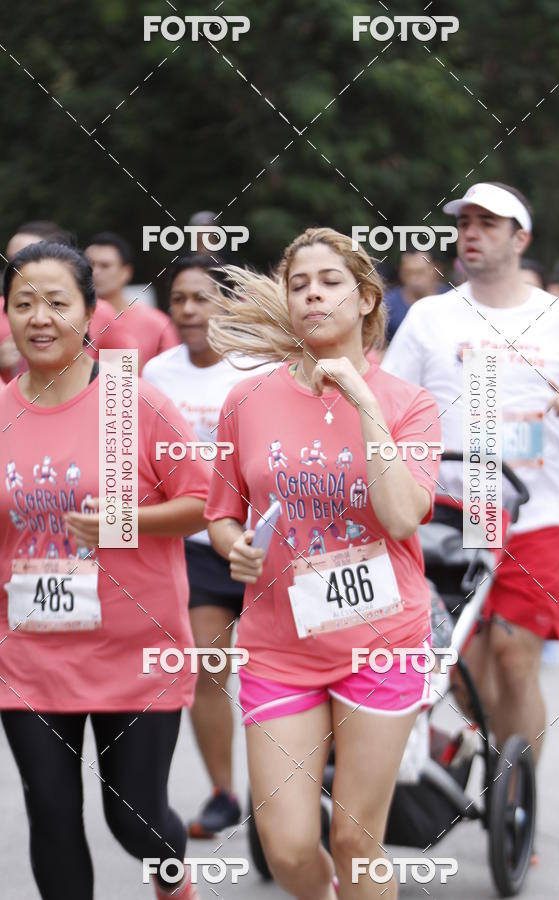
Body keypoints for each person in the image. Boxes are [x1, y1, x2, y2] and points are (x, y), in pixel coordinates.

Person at [205, 227, 441, 899]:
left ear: (367, 299)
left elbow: (401, 516)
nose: (313, 294)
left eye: (330, 282)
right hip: (278, 644)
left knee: (355, 840)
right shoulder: (246, 401)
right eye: (299, 283)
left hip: (383, 640)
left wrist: (363, 401)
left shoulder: (408, 404)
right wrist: (234, 548)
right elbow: (222, 512)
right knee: (286, 847)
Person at [0, 241, 210, 899]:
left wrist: (129, 521)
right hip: (30, 655)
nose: (40, 318)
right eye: (23, 303)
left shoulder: (133, 401)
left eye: (57, 302)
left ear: (91, 311)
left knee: (135, 821)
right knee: (53, 818)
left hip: (137, 651)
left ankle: (174, 883)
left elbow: (203, 503)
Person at [383, 181, 559, 769]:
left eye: (488, 223)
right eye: (465, 222)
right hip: (450, 518)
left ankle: (515, 799)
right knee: (460, 670)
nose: (471, 233)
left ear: (520, 237)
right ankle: (487, 756)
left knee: (514, 657)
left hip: (537, 516)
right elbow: (386, 404)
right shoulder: (430, 317)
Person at [142, 255, 276, 838]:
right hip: (200, 545)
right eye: (179, 300)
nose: (190, 310)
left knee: (277, 671)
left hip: (268, 542)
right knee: (207, 664)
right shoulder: (154, 376)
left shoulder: (262, 369)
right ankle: (225, 792)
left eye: (202, 298)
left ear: (227, 306)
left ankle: (294, 786)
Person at [85, 231, 179, 367]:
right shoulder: (70, 320)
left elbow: (172, 374)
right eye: (89, 265)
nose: (95, 272)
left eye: (105, 265)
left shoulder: (157, 323)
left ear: (126, 272)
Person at [1, 221, 73, 382]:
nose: (14, 268)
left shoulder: (94, 310)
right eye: (10, 260)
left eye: (23, 259)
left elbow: (124, 381)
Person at [383, 248, 445, 342]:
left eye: (420, 272)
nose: (414, 278)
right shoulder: (387, 305)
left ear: (436, 270)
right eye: (408, 273)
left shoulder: (452, 299)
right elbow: (377, 348)